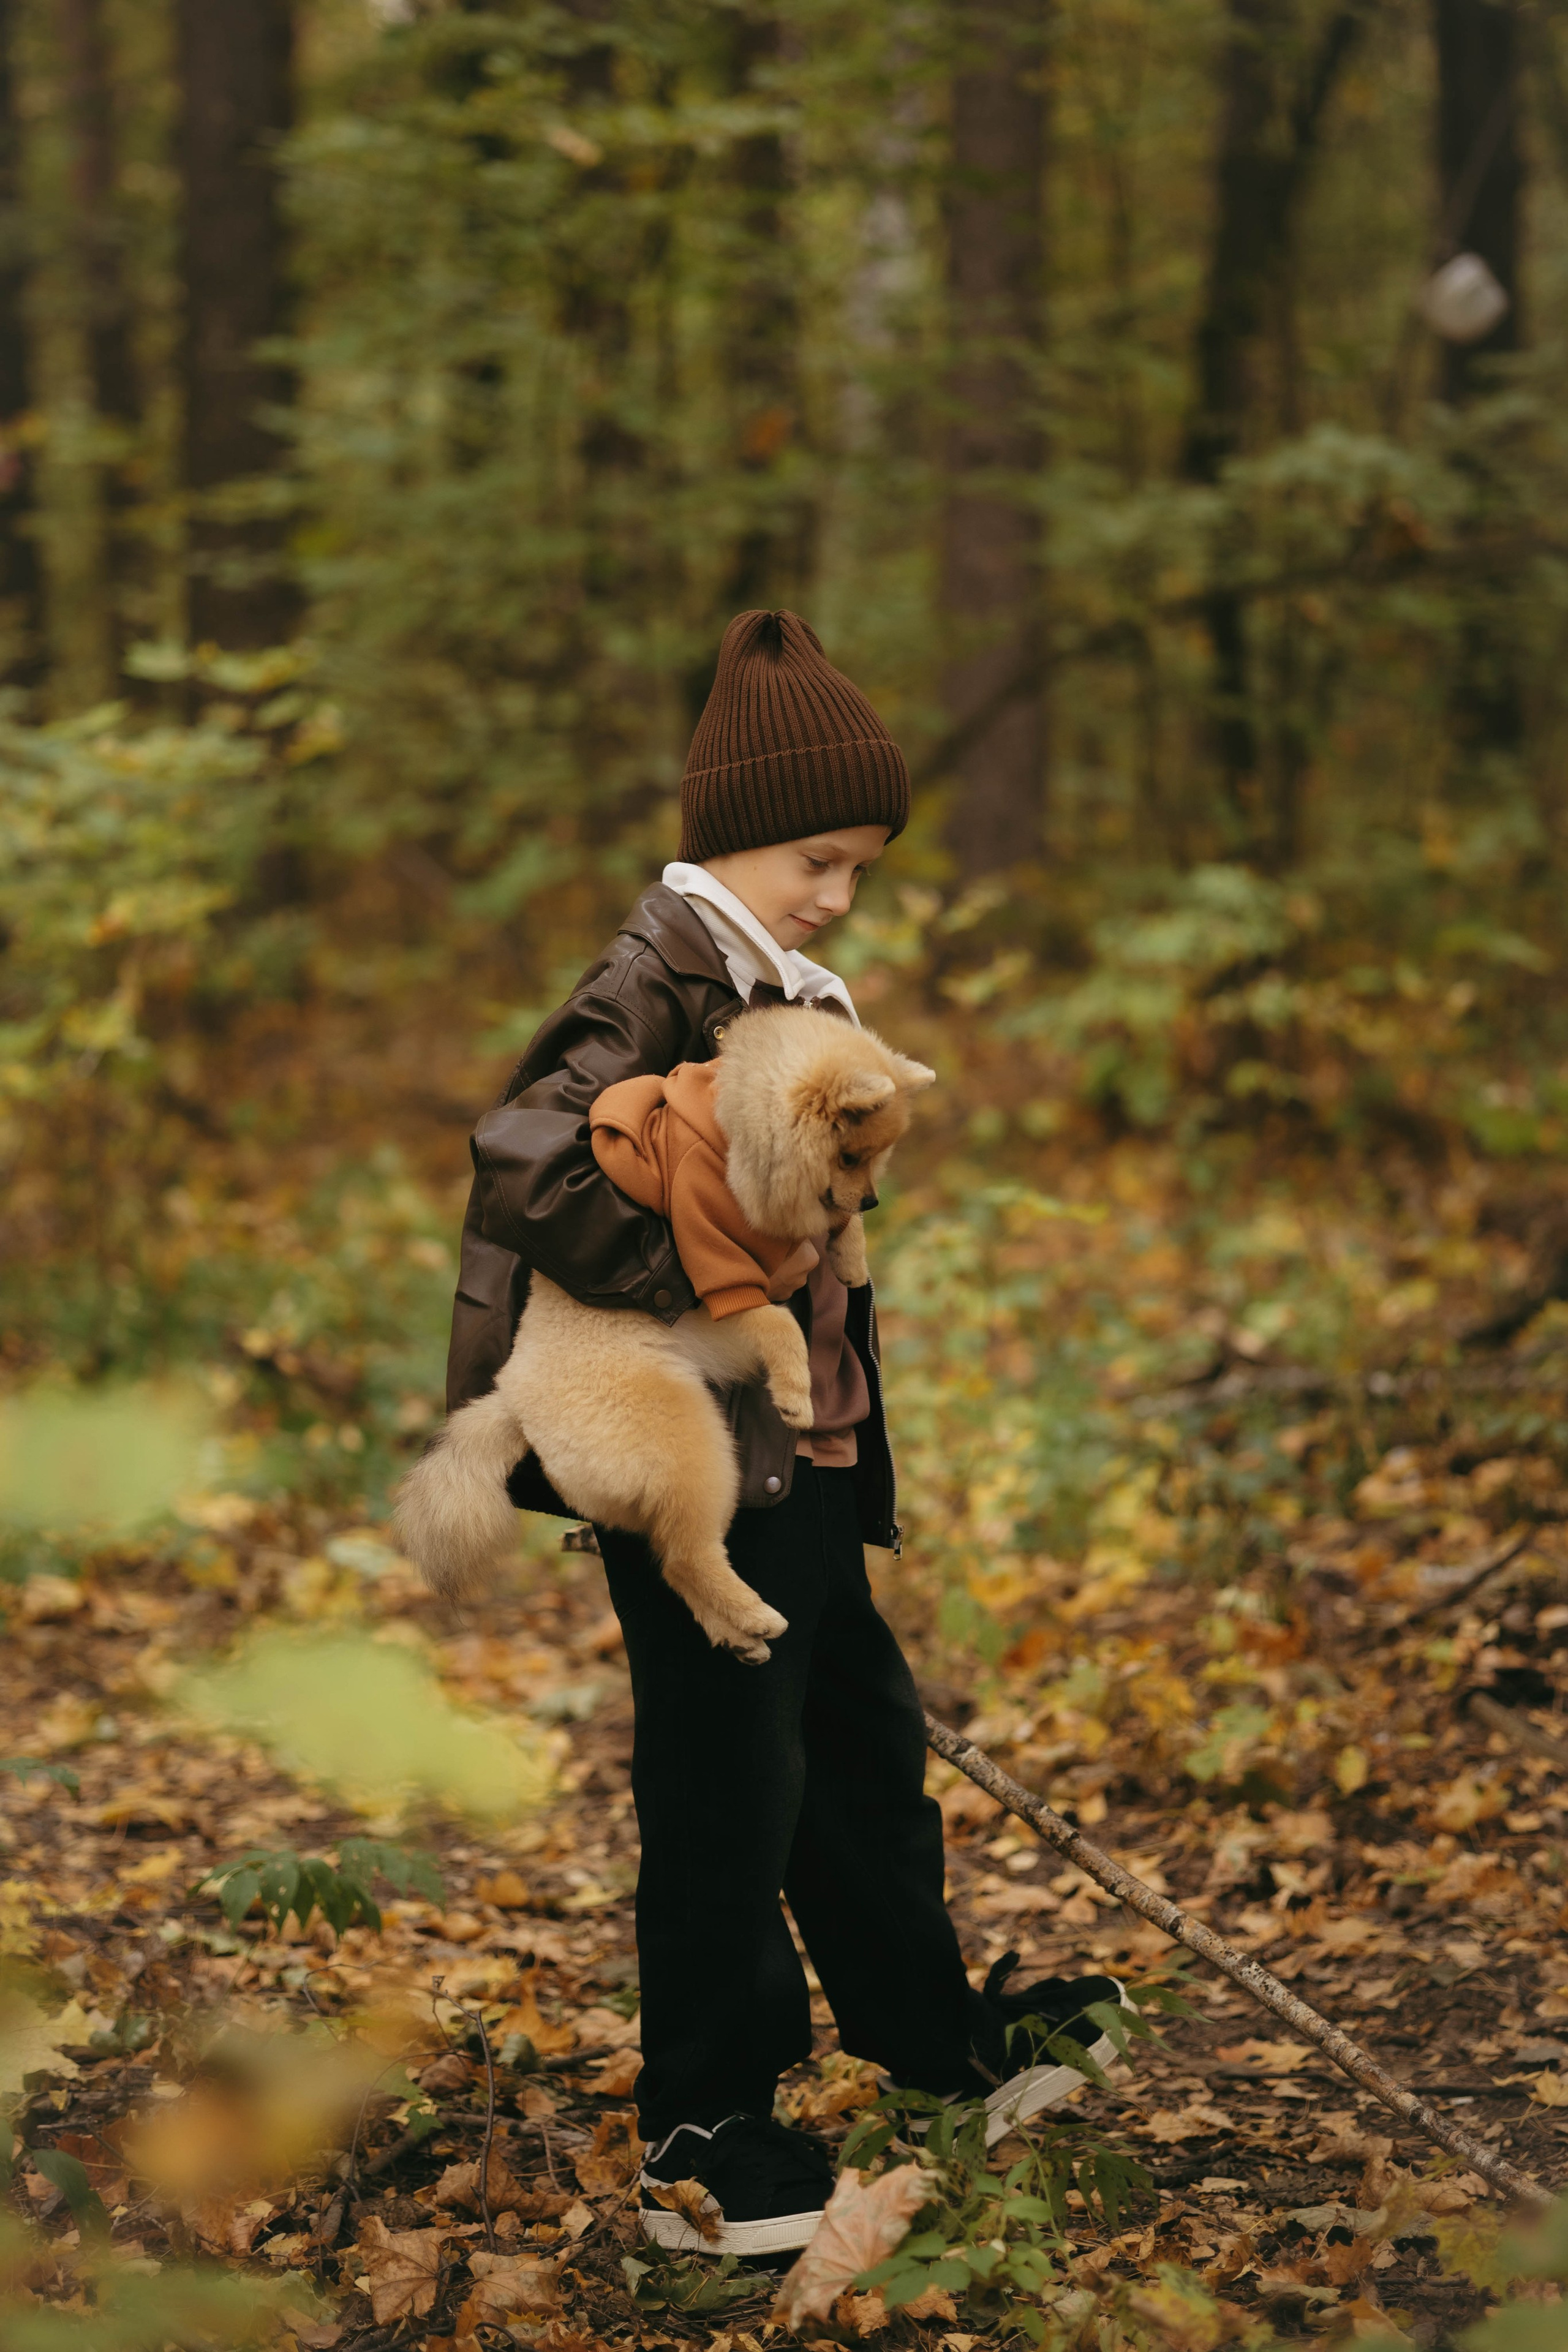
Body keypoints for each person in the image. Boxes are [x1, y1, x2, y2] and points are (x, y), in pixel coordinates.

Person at [445, 609, 1125, 2259]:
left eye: (859, 868)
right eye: (817, 855)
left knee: (861, 1767)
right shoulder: (653, 977)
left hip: (798, 1461)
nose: (837, 891)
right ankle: (704, 2128)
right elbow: (524, 1157)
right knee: (725, 1794)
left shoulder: (775, 981)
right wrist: (698, 1253)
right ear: (726, 835)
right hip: (692, 1459)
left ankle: (934, 2048)